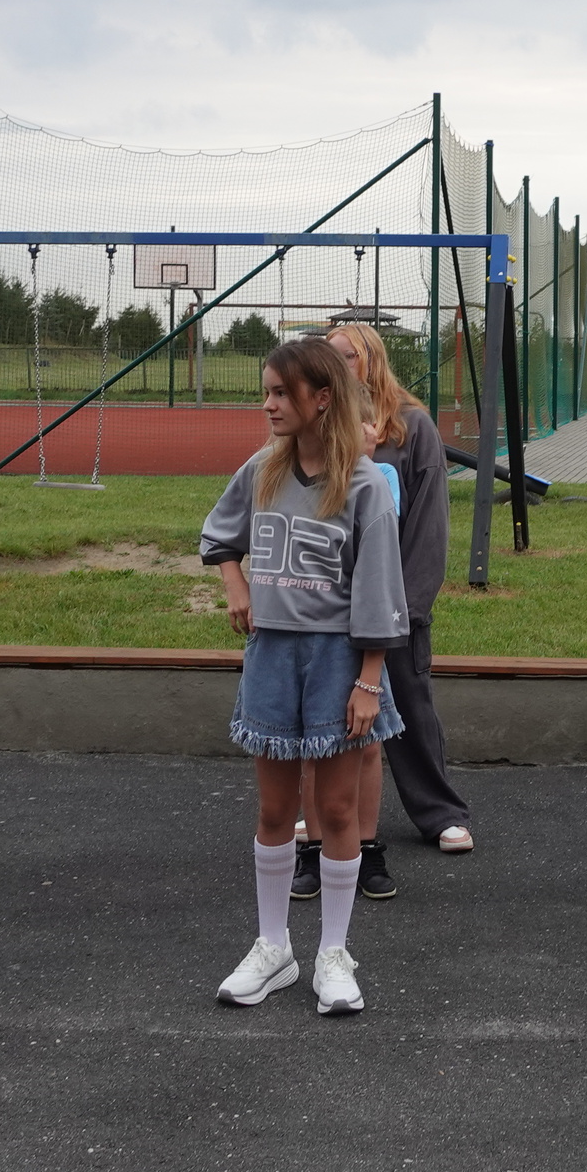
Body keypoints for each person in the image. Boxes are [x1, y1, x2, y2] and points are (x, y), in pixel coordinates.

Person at [203, 337, 410, 1016]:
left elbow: (380, 590)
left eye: (279, 393)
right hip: (271, 657)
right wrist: (236, 585)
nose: (267, 405)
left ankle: (334, 955)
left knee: (340, 810)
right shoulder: (262, 469)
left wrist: (369, 680)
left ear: (321, 398)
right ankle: (273, 948)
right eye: (264, 392)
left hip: (338, 662)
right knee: (274, 812)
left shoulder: (364, 486)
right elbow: (219, 536)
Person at [324, 321, 468, 892]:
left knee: (408, 704)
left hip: (396, 599)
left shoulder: (412, 427)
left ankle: (440, 812)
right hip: (333, 600)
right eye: (327, 357)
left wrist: (409, 604)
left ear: (371, 360)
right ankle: (329, 819)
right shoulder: (323, 425)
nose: (336, 365)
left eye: (346, 356)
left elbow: (429, 523)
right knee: (332, 710)